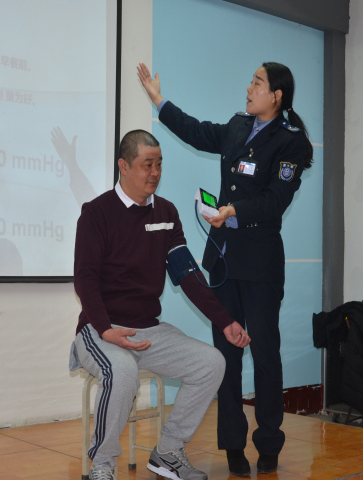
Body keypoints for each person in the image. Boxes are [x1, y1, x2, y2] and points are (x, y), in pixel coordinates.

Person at [137, 62, 313, 476]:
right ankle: (233, 444)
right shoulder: (237, 126)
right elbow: (197, 131)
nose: (248, 88)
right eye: (250, 81)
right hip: (223, 262)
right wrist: (159, 101)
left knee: (265, 353)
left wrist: (233, 211)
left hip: (261, 264)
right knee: (226, 356)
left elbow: (275, 202)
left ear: (276, 96)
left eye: (257, 83)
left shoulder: (291, 143)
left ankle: (268, 442)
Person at [69, 129, 251, 480]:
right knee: (122, 372)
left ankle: (168, 452)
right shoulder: (96, 213)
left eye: (159, 164)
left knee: (212, 362)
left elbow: (188, 276)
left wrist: (225, 320)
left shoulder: (166, 212)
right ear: (124, 166)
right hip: (100, 329)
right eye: (147, 164)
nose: (155, 172)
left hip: (149, 331)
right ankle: (102, 465)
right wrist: (105, 329)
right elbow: (85, 279)